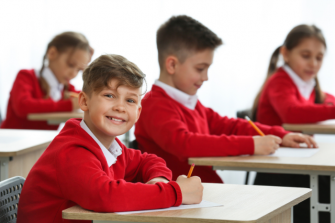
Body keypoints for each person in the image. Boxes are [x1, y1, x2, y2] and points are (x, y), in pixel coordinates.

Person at [17, 54, 203, 223]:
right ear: (84, 101)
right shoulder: (71, 151)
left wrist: (159, 181)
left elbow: (148, 161)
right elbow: (106, 196)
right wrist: (176, 192)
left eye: (130, 100)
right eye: (109, 96)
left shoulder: (111, 147)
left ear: (138, 112)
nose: (120, 107)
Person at [134, 15, 317, 184]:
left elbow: (231, 126)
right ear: (172, 65)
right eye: (200, 68)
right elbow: (186, 144)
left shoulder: (189, 102)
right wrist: (251, 145)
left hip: (206, 192)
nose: (206, 77)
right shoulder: (153, 105)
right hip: (180, 202)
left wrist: (282, 135)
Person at [252, 24, 333, 223]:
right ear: (285, 54)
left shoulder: (308, 85)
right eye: (306, 55)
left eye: (319, 58)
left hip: (299, 161)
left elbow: (327, 100)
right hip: (278, 170)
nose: (313, 63)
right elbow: (292, 114)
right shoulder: (280, 81)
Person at [1, 31, 93, 130]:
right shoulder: (26, 76)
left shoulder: (66, 87)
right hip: (11, 141)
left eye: (78, 70)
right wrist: (69, 104)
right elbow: (23, 106)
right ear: (52, 53)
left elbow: (87, 96)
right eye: (71, 65)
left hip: (41, 142)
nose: (74, 74)